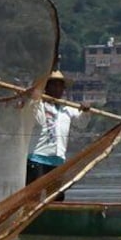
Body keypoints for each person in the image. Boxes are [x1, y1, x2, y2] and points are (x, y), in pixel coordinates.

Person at [26, 70, 92, 198]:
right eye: (54, 85)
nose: (58, 89)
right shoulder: (39, 104)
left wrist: (85, 112)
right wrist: (35, 99)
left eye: (60, 86)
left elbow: (81, 124)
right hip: (38, 159)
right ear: (47, 88)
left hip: (57, 161)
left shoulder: (67, 108)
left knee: (57, 197)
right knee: (34, 197)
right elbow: (38, 120)